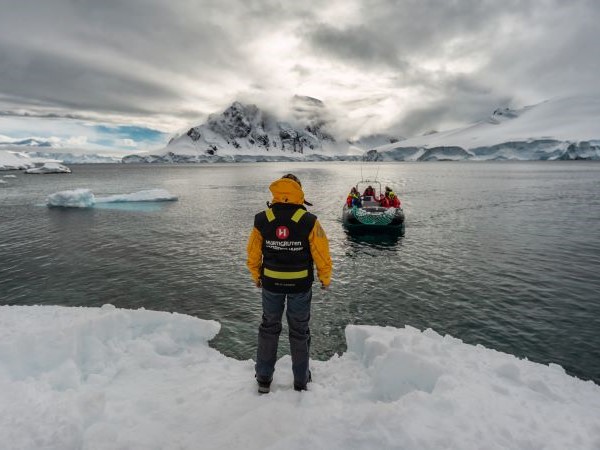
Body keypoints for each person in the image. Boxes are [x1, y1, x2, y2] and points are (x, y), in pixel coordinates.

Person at [247, 173, 332, 394]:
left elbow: (253, 253)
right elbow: (321, 252)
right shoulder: (309, 220)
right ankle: (301, 381)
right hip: (300, 286)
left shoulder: (262, 219)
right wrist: (325, 277)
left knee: (269, 328)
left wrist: (256, 275)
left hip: (271, 284)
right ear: (299, 191)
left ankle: (264, 379)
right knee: (299, 331)